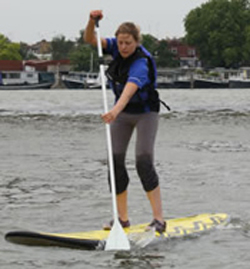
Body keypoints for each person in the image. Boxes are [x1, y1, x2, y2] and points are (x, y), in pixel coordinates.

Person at [84, 10, 166, 233]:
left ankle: (159, 219)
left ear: (136, 42)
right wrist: (91, 21)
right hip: (122, 115)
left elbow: (129, 90)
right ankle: (122, 219)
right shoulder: (114, 46)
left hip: (145, 113)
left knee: (143, 160)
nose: (123, 47)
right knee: (115, 160)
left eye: (128, 43)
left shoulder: (142, 62)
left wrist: (114, 111)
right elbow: (90, 39)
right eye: (120, 43)